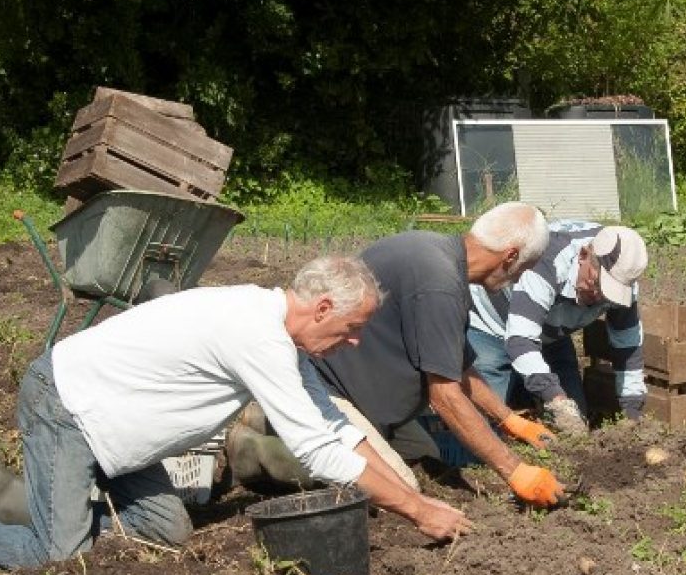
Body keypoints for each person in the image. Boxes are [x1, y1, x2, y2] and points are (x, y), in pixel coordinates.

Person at [0, 256, 470, 568]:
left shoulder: (277, 333)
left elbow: (331, 428)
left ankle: (17, 496)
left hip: (119, 439)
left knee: (167, 530)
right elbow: (314, 449)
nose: (356, 341)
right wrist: (416, 510)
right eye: (354, 328)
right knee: (56, 560)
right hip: (69, 411)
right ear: (323, 307)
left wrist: (414, 498)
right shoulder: (255, 332)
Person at [227, 202, 568, 507]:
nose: (518, 280)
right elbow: (446, 396)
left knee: (430, 463)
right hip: (330, 388)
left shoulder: (437, 256)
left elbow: (457, 366)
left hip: (368, 397)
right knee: (394, 490)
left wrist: (509, 419)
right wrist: (515, 471)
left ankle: (270, 417)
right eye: (525, 268)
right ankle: (257, 450)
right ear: (510, 256)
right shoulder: (439, 284)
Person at [468, 221, 649, 433]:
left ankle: (524, 394)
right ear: (583, 256)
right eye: (596, 285)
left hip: (551, 334)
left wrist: (632, 410)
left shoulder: (622, 278)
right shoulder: (547, 261)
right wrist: (557, 402)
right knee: (489, 425)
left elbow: (627, 344)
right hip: (492, 325)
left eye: (608, 293)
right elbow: (520, 341)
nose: (599, 296)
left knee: (575, 424)